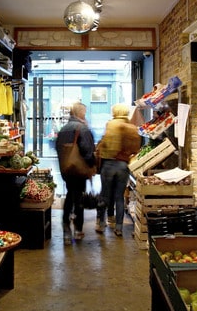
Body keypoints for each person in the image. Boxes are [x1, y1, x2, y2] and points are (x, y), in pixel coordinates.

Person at [55, 102, 96, 245]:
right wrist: (92, 164)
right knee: (78, 198)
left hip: (66, 169)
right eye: (84, 112)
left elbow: (58, 148)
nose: (85, 114)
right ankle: (78, 230)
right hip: (79, 170)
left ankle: (66, 231)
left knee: (70, 196)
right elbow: (87, 150)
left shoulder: (63, 129)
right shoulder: (82, 128)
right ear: (80, 113)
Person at [96, 103, 141, 236]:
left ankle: (101, 224)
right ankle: (119, 228)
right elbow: (135, 148)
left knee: (104, 195)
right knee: (119, 197)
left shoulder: (111, 125)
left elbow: (104, 144)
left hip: (109, 164)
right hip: (123, 165)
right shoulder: (132, 127)